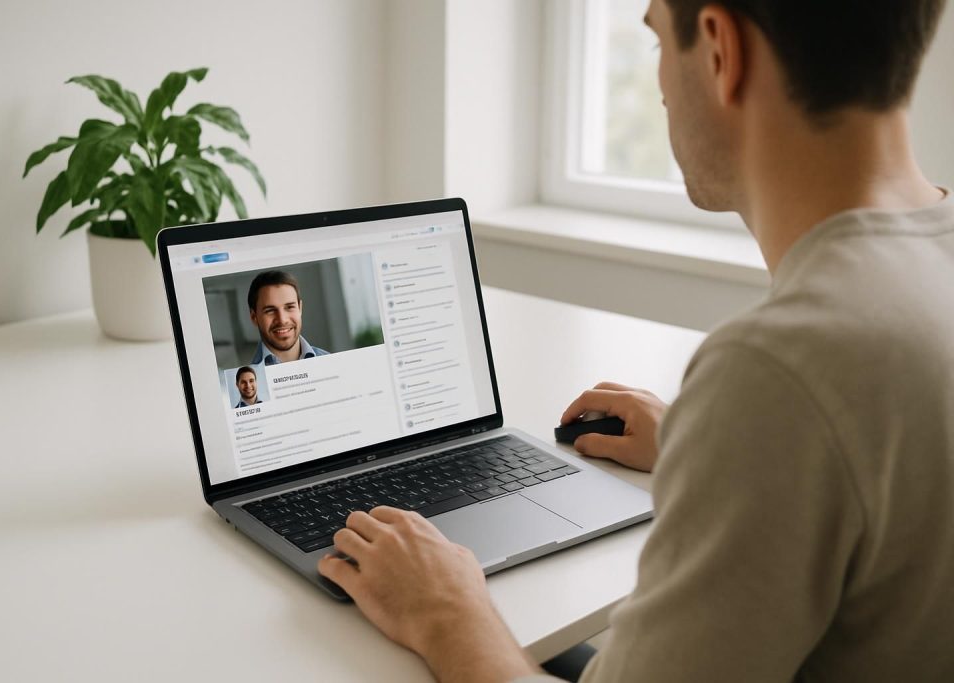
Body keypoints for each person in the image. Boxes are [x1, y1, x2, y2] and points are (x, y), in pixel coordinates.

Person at [317, 0, 954, 681]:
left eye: (657, 43)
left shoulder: (779, 371)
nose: (660, 91)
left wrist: (445, 608)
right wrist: (704, 443)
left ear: (720, 50)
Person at [246, 270, 329, 365]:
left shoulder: (332, 364)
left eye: (289, 307)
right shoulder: (249, 373)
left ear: (300, 308)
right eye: (270, 310)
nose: (282, 320)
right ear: (254, 317)